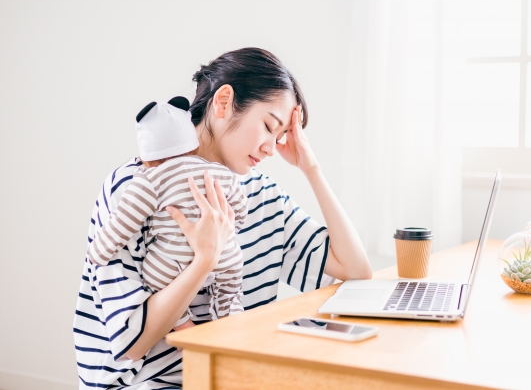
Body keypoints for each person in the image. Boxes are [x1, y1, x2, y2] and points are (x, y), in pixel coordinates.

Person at [73, 47, 372, 389]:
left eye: (280, 137)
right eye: (268, 127)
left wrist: (311, 169)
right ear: (224, 101)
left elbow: (354, 269)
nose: (271, 149)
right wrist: (204, 261)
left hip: (230, 373)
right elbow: (131, 343)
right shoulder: (138, 188)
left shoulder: (258, 194)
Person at [87, 96, 247, 329]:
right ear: (192, 144)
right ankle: (230, 319)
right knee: (231, 280)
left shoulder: (149, 180)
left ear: (148, 158)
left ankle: (182, 325)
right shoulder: (219, 172)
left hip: (172, 258)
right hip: (223, 250)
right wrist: (230, 230)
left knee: (154, 281)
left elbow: (122, 223)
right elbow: (239, 210)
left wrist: (97, 253)